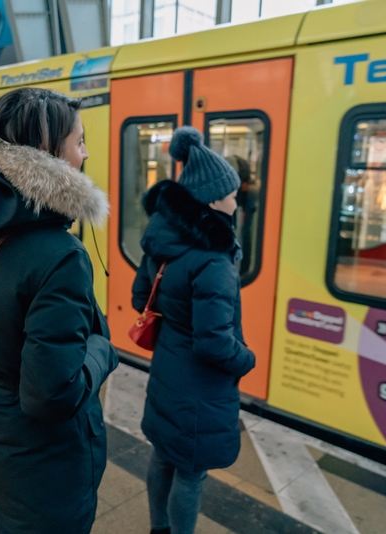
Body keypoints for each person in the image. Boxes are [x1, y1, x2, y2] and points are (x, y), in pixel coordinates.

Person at [0, 88, 118, 534]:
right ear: (48, 151)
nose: (85, 154)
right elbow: (52, 395)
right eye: (79, 141)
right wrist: (102, 349)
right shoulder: (60, 253)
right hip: (46, 463)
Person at [132, 126, 256, 534]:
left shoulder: (163, 241)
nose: (237, 200)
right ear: (213, 199)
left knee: (164, 456)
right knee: (191, 475)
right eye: (232, 193)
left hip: (168, 371)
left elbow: (140, 299)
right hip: (201, 389)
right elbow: (214, 343)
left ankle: (157, 529)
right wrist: (247, 359)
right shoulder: (214, 260)